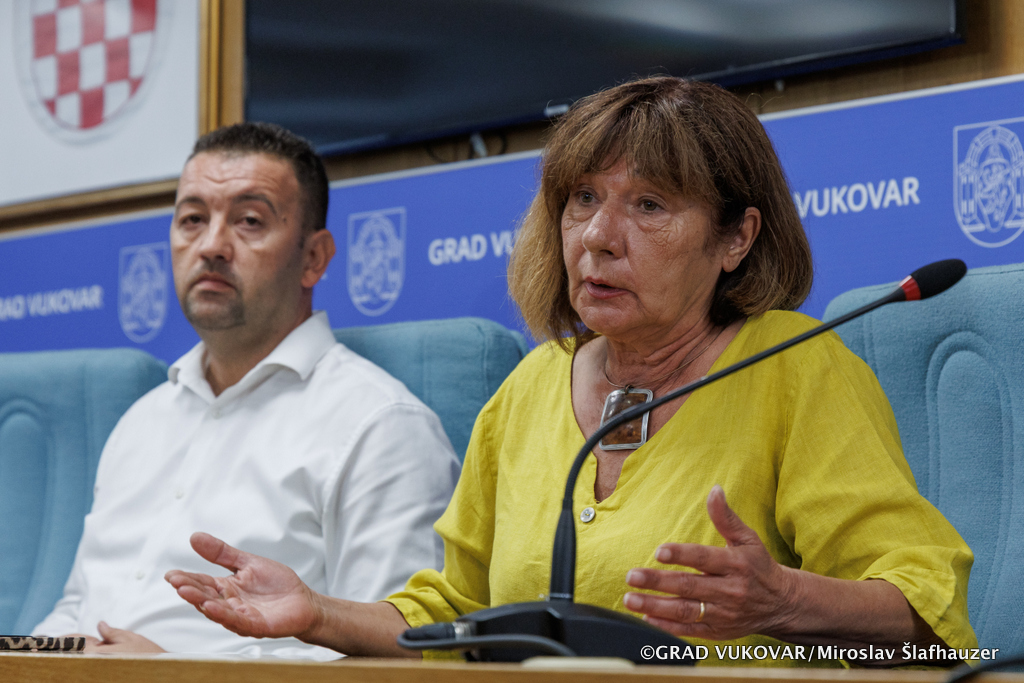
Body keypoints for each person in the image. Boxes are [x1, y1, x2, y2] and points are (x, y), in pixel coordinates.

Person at [166, 78, 977, 666]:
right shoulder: (533, 385)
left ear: (736, 238)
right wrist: (317, 612)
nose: (598, 235)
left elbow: (927, 610)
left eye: (649, 204)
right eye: (582, 199)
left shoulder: (794, 366)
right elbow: (454, 611)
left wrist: (785, 600)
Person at [32, 123, 460, 658]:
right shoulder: (142, 419)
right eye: (192, 219)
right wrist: (28, 652)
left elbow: (394, 654)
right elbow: (78, 606)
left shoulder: (380, 425)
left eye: (249, 221)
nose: (211, 246)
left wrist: (171, 674)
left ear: (314, 258)